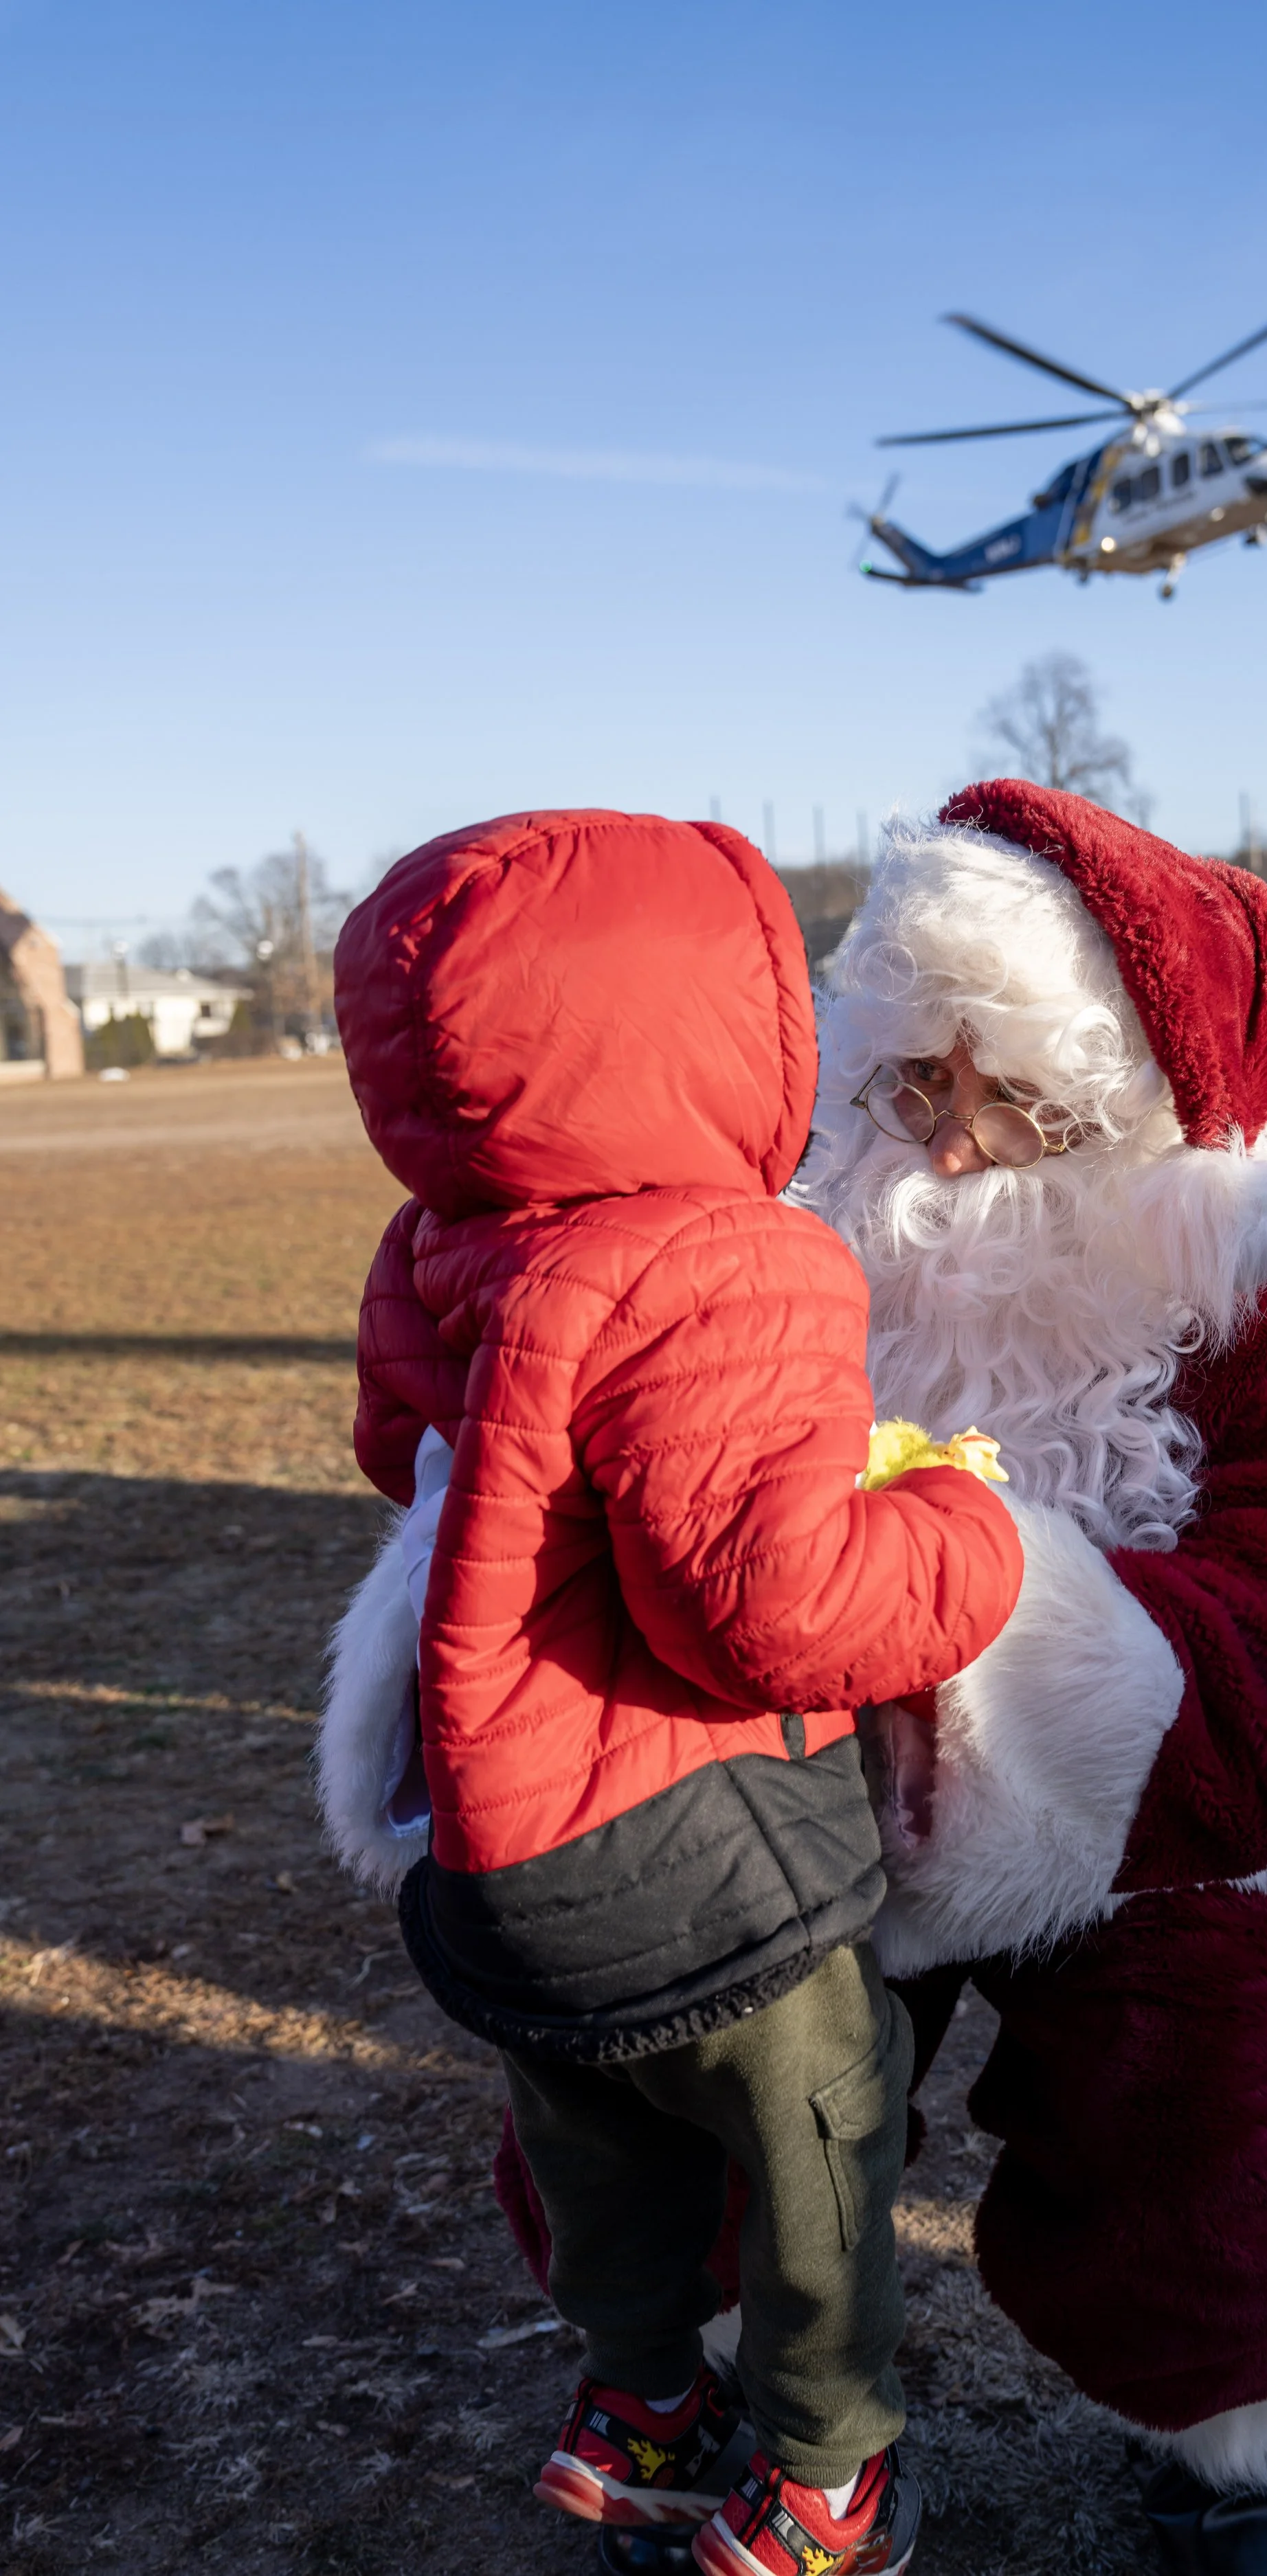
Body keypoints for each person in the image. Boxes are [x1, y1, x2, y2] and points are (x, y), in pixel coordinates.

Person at [317, 809, 1024, 2576]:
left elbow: (400, 1450)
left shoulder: (440, 1239)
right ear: (730, 1026)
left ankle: (636, 2404)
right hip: (689, 1856)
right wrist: (962, 1524)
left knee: (602, 2135)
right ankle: (826, 2477)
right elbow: (774, 1610)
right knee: (819, 2134)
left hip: (488, 1849)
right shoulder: (733, 1252)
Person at [799, 782, 1267, 2576]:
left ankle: (1227, 2441)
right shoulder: (799, 1242)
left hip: (1161, 1803)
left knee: (1199, 2096)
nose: (943, 1150)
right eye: (913, 1082)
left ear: (1133, 1106)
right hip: (822, 1774)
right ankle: (769, 2398)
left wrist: (1007, 1640)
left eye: (1014, 1094)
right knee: (714, 2042)